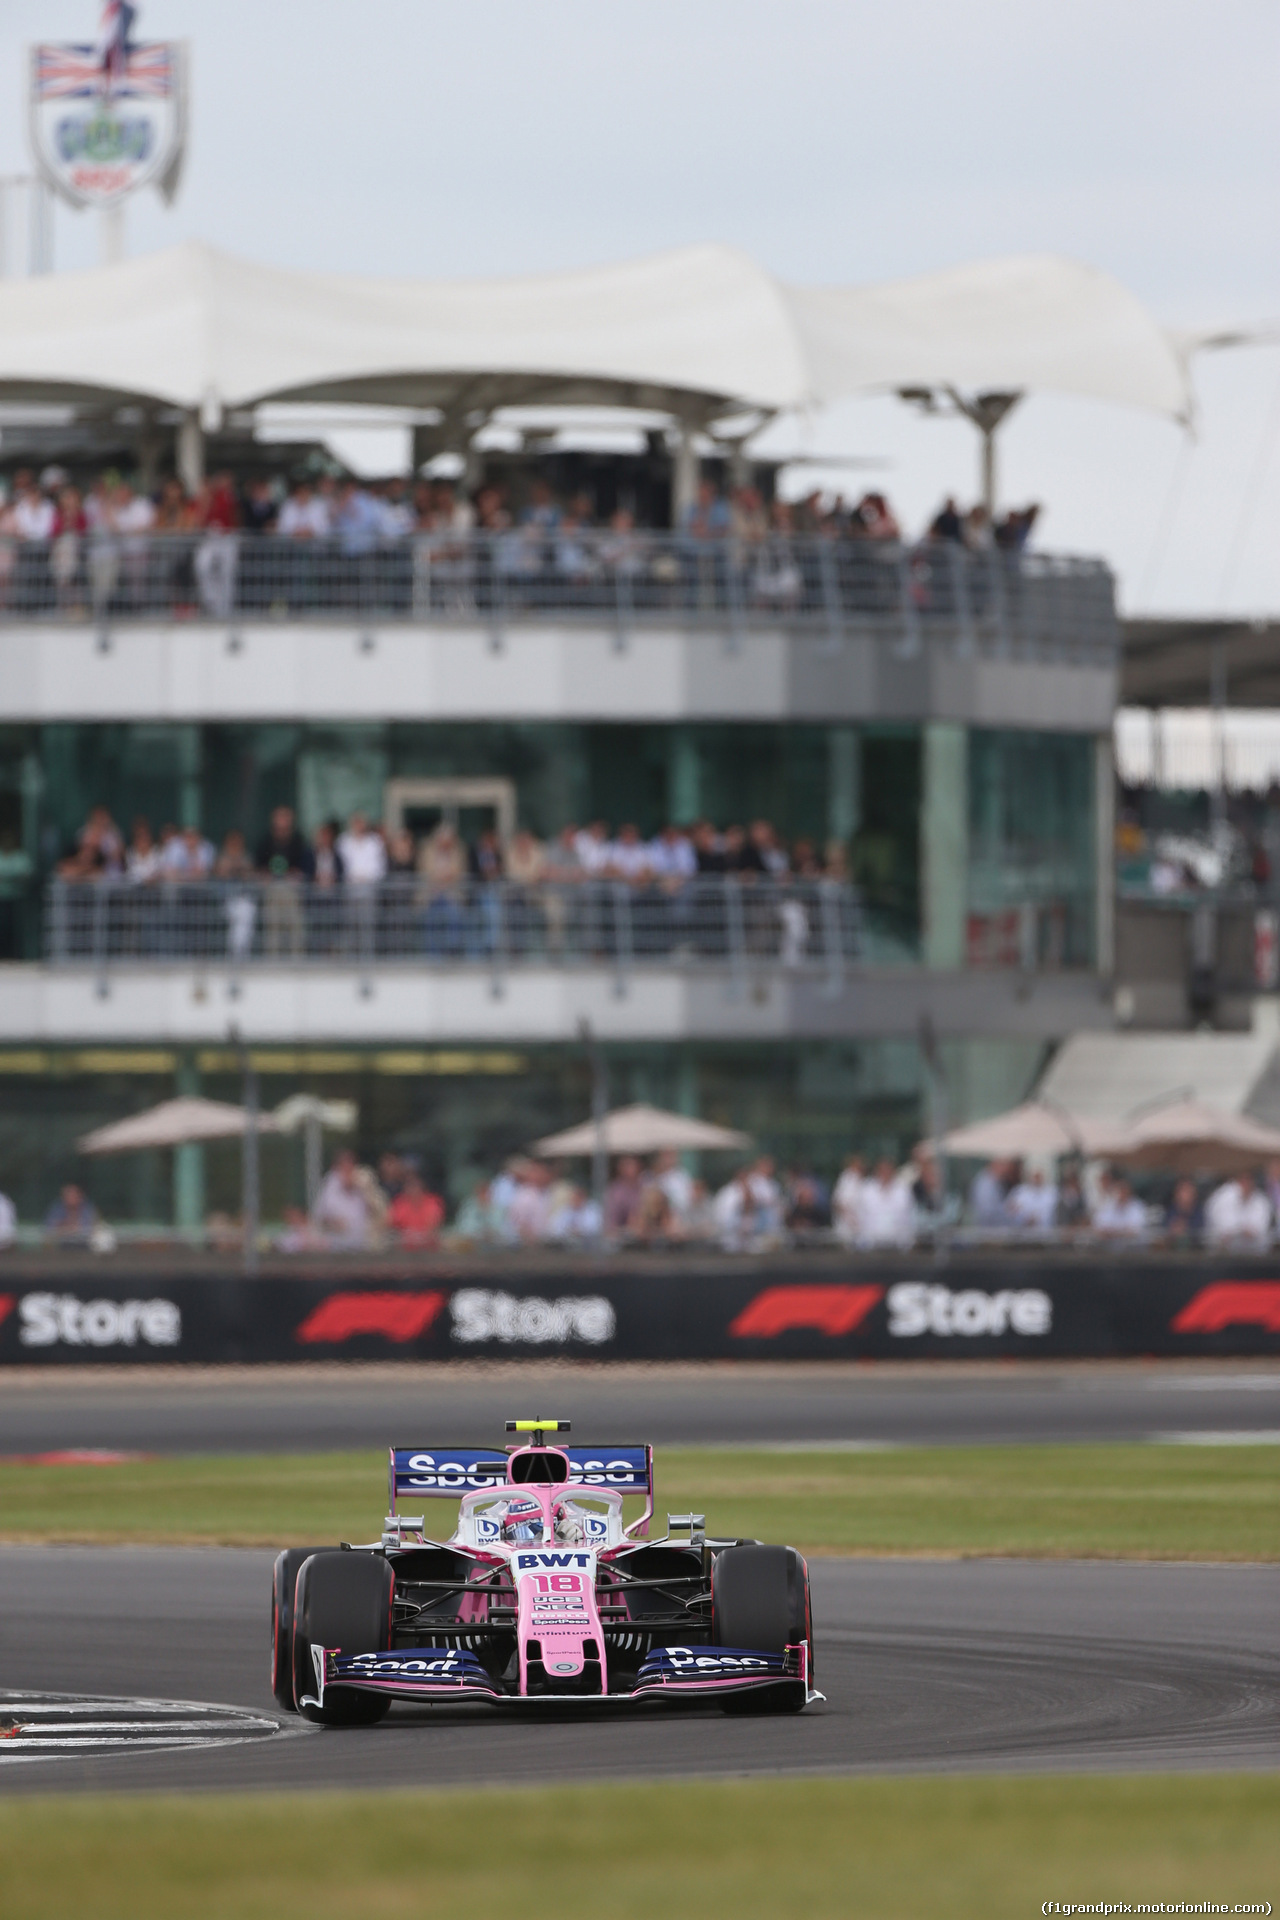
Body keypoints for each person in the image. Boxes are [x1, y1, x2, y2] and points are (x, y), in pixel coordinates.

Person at [255, 805, 314, 957]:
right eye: (279, 818)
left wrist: (296, 874)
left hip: (292, 890)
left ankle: (297, 958)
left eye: (285, 818)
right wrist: (265, 875)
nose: (282, 822)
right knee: (273, 925)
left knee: (295, 924)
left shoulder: (298, 841)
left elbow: (306, 867)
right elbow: (259, 866)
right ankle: (272, 958)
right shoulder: (266, 841)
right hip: (272, 889)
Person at [311, 1149, 371, 1249]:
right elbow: (320, 1218)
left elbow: (374, 1211)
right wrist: (333, 1223)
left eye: (351, 1166)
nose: (348, 1170)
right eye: (344, 1166)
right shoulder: (329, 1187)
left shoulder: (362, 1185)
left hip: (361, 1245)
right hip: (335, 1247)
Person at [855, 1158, 915, 1250]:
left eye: (888, 1170)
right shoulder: (866, 1189)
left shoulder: (903, 1189)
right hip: (870, 1242)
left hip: (898, 1242)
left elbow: (907, 1214)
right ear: (877, 1172)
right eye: (882, 1170)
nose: (885, 1173)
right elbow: (861, 1214)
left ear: (893, 1171)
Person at [1204, 1171, 1272, 1250]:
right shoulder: (1222, 1197)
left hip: (1255, 1253)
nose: (1246, 1184)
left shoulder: (1261, 1201)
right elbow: (1222, 1228)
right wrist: (1240, 1231)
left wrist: (1245, 1232)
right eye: (1243, 1180)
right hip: (1223, 1251)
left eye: (1249, 1180)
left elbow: (1260, 1229)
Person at [388, 1170, 446, 1247]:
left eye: (415, 1186)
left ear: (422, 1187)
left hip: (429, 1250)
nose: (412, 1189)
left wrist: (416, 1236)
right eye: (409, 1186)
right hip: (403, 1250)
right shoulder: (399, 1203)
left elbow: (433, 1230)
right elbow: (393, 1228)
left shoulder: (433, 1203)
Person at [1091, 1174, 1148, 1241]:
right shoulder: (1108, 1205)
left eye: (1124, 1191)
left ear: (1129, 1192)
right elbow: (1099, 1225)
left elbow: (1136, 1229)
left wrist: (1116, 1233)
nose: (1122, 1194)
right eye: (1120, 1191)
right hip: (1109, 1243)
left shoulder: (1137, 1206)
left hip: (1132, 1244)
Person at [1007, 1167, 1058, 1235]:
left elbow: (1053, 1212)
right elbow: (1010, 1210)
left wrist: (1038, 1219)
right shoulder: (1019, 1191)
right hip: (1022, 1233)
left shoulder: (1052, 1192)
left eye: (1039, 1176)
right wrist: (1025, 1218)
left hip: (1046, 1233)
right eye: (1035, 1176)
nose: (1037, 1179)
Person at [831, 1154, 866, 1247]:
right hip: (847, 1224)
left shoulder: (862, 1179)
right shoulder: (847, 1178)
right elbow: (838, 1203)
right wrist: (850, 1219)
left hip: (860, 1224)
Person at [1163, 1178, 1203, 1245]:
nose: (1185, 1195)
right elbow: (1162, 1232)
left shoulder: (1200, 1212)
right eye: (1183, 1191)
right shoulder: (1169, 1211)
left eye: (1188, 1191)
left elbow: (1201, 1233)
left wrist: (1187, 1229)